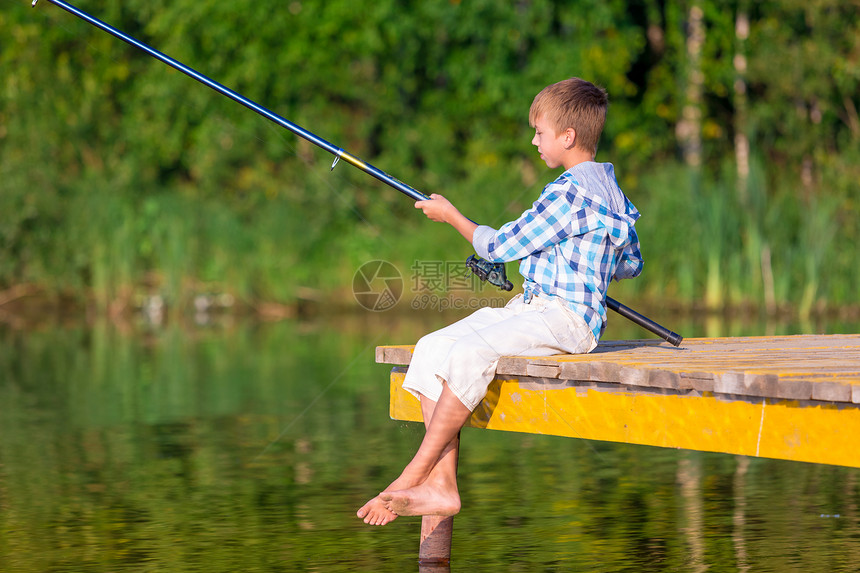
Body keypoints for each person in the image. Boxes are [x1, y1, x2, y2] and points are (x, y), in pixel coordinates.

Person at [357, 77, 643, 526]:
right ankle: (441, 484)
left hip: (565, 318)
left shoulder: (568, 192)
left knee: (470, 351)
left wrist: (451, 216)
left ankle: (415, 471)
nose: (534, 140)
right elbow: (630, 264)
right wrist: (576, 259)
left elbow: (500, 245)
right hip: (540, 310)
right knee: (433, 346)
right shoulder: (614, 194)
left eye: (540, 132)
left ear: (567, 137)